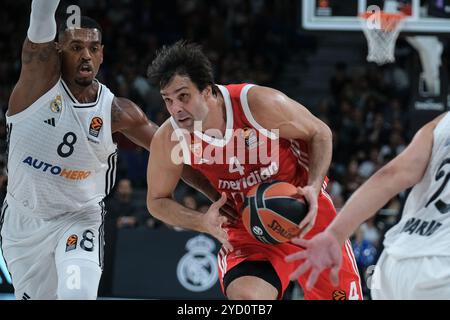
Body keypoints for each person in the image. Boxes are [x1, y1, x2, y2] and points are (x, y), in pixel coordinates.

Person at [0, 1, 221, 300]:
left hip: (79, 219)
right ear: (57, 51)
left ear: (102, 54)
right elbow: (40, 16)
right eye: (76, 47)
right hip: (24, 222)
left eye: (93, 48)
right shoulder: (34, 88)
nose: (86, 56)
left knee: (76, 295)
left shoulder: (118, 112)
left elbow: (175, 159)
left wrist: (221, 198)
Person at [146, 41, 362, 300]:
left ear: (207, 91)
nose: (176, 109)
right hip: (248, 226)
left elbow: (320, 132)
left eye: (183, 96)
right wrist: (201, 222)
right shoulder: (170, 137)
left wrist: (314, 187)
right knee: (248, 300)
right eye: (168, 100)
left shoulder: (257, 103)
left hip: (304, 210)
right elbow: (157, 201)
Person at [285, 113, 450, 299]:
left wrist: (334, 234)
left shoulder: (442, 122)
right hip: (443, 266)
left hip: (396, 262)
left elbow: (391, 175)